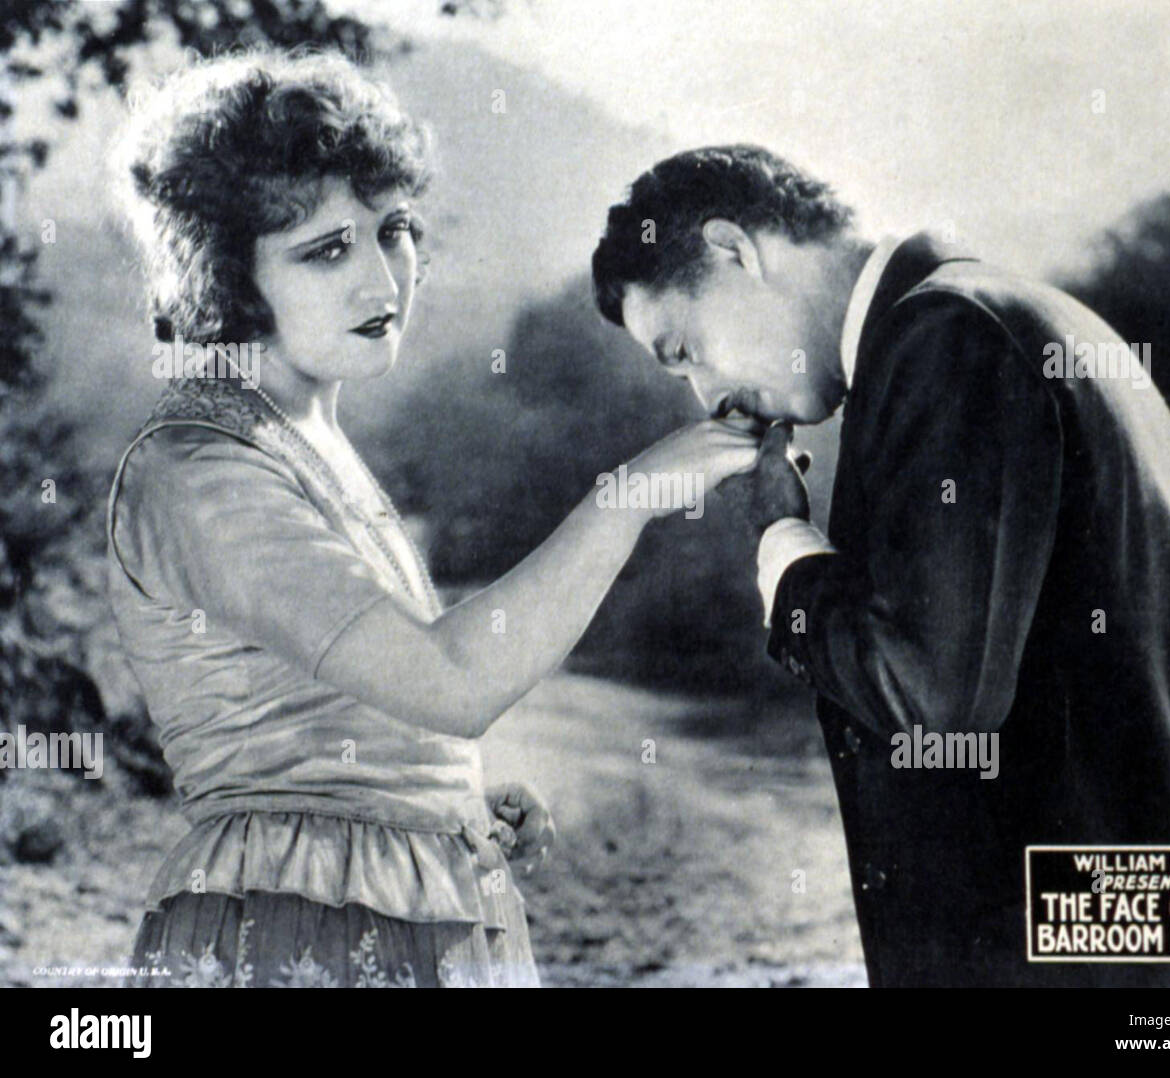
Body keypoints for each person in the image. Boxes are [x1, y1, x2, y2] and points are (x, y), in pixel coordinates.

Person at [107, 51, 759, 988]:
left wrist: (441, 800)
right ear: (225, 273)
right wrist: (632, 495)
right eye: (326, 249)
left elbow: (352, 717)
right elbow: (452, 682)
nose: (384, 281)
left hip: (389, 903)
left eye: (394, 230)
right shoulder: (198, 468)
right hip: (290, 928)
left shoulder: (303, 434)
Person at [591, 144, 1170, 987]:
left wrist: (782, 546)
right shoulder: (1034, 316)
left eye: (685, 349)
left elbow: (933, 703)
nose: (706, 398)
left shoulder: (945, 339)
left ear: (732, 250)